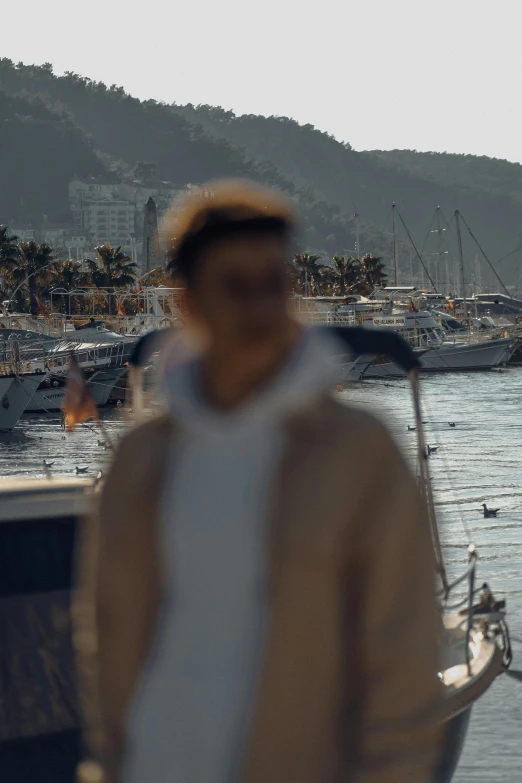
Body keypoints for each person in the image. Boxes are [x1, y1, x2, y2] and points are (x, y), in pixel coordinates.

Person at [75, 180, 442, 783]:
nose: (261, 308)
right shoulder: (143, 459)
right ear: (188, 303)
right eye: (235, 287)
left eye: (274, 284)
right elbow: (112, 638)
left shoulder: (358, 452)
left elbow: (403, 650)